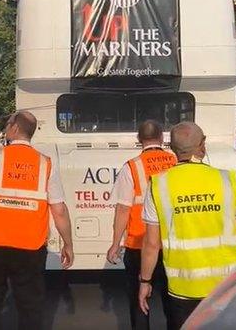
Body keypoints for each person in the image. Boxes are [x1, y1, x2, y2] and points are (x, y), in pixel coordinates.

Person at [0, 111, 74, 330]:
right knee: (30, 309)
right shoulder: (46, 164)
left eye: (8, 123)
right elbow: (59, 210)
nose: (6, 127)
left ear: (15, 128)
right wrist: (68, 243)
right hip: (29, 247)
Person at [138, 123, 236, 329]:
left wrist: (145, 282)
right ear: (202, 146)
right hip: (227, 286)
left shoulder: (158, 185)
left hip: (183, 289)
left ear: (172, 149)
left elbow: (151, 244)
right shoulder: (227, 180)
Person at [106, 120, 177, 330]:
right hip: (172, 243)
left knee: (139, 302)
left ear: (139, 140)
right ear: (162, 138)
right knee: (173, 302)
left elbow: (123, 209)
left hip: (140, 243)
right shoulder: (176, 163)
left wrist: (115, 243)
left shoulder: (132, 167)